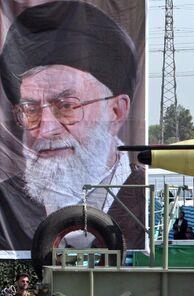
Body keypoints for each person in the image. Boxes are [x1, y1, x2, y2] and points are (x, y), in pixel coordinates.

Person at [0, 1, 145, 251]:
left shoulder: (144, 196)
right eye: (31, 110)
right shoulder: (7, 201)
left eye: (66, 106)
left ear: (116, 110)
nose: (44, 129)